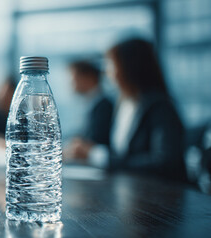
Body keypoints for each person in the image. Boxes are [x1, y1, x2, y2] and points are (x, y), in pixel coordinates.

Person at [71, 38, 187, 181]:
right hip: (130, 189)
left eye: (111, 65)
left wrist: (101, 156)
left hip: (160, 195)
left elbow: (165, 162)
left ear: (129, 67)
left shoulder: (159, 107)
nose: (107, 73)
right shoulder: (124, 105)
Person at [65, 60, 113, 157]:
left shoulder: (104, 106)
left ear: (88, 78)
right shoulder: (90, 103)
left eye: (74, 78)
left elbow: (96, 140)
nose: (70, 83)